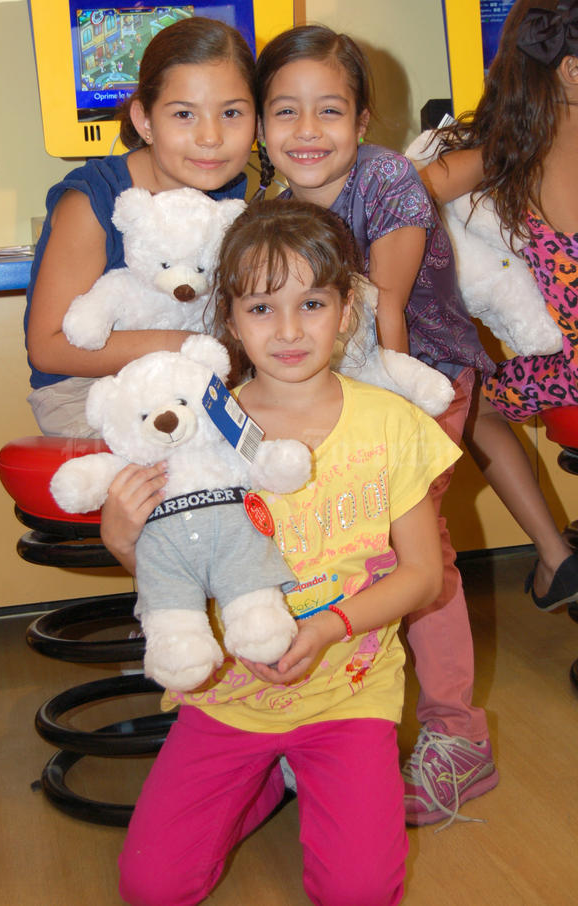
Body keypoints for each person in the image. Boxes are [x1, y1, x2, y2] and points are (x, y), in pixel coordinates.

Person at [117, 198, 460, 906]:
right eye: (262, 309)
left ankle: (294, 774)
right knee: (152, 888)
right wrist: (123, 539)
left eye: (311, 303)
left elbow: (425, 577)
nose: (290, 329)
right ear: (231, 321)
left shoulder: (392, 423)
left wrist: (329, 627)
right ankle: (269, 778)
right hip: (225, 700)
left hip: (350, 696)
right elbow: (176, 573)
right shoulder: (198, 430)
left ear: (346, 311)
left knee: (359, 893)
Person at [252, 24, 499, 828]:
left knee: (417, 552)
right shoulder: (273, 210)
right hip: (331, 392)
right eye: (285, 111)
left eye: (330, 110)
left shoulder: (390, 179)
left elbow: (385, 315)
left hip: (417, 383)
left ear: (362, 122)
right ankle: (336, 725)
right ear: (259, 125)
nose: (307, 131)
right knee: (342, 548)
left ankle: (458, 739)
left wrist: (386, 434)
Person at [419, 0, 578, 613]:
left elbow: (403, 193)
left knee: (472, 400)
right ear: (570, 69)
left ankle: (554, 555)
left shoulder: (508, 154)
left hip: (570, 372)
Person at [24, 16, 255, 437]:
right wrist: (179, 346)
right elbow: (48, 348)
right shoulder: (94, 201)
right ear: (145, 121)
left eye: (232, 113)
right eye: (184, 114)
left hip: (192, 383)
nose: (210, 136)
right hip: (90, 394)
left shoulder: (230, 201)